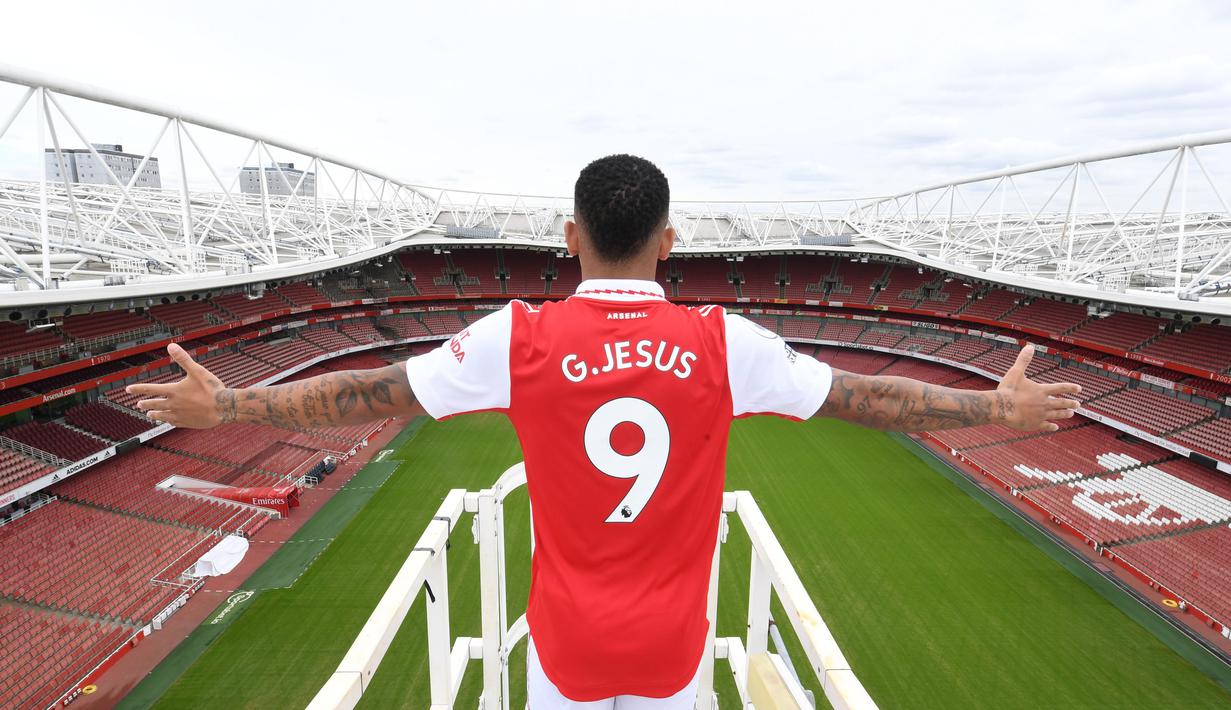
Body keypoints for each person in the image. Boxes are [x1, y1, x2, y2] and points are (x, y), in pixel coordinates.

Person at [126, 154, 1081, 709]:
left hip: (563, 647)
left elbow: (375, 392)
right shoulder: (723, 341)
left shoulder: (520, 335)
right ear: (670, 240)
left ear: (569, 234)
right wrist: (997, 408)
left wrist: (235, 406)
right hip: (672, 649)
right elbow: (869, 399)